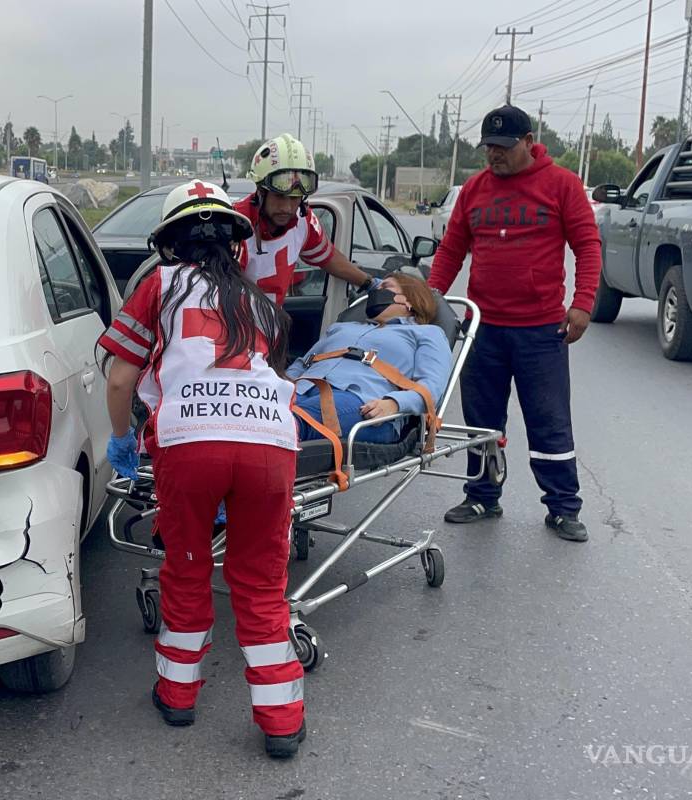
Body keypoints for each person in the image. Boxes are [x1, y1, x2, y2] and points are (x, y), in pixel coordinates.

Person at [99, 179, 307, 759]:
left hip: (188, 444)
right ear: (235, 245)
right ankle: (282, 722)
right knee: (262, 585)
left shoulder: (158, 286)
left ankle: (178, 697)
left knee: (188, 569)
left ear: (168, 244)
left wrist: (122, 437)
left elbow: (120, 378)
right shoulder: (261, 301)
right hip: (270, 443)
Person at [428, 104, 602, 543]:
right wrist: (429, 299)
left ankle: (562, 507)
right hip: (483, 327)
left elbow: (587, 245)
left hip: (541, 331)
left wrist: (582, 304)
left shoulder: (562, 185)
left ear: (529, 142)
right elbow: (452, 251)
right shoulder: (474, 190)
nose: (495, 155)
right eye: (489, 147)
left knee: (549, 421)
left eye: (504, 147)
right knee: (482, 421)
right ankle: (483, 496)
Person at [287, 272, 451, 444]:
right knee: (261, 411)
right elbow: (303, 363)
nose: (375, 293)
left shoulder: (427, 333)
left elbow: (431, 388)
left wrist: (394, 403)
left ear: (410, 300)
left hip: (362, 399)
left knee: (285, 422)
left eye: (385, 287)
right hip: (302, 388)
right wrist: (279, 385)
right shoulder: (341, 328)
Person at [237, 133, 380, 305]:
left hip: (271, 327)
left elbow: (329, 258)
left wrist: (369, 283)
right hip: (235, 328)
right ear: (260, 192)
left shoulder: (303, 220)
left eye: (295, 198)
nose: (287, 208)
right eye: (279, 197)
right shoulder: (234, 225)